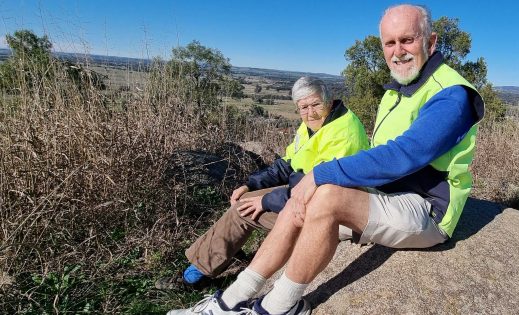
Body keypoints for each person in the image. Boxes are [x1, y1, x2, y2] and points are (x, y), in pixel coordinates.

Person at [168, 4, 485, 315]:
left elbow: (406, 154)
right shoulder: (399, 90)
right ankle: (230, 300)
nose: (398, 50)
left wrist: (320, 176)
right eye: (390, 42)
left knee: (325, 191)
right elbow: (292, 164)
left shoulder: (451, 94)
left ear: (430, 42)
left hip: (426, 209)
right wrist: (288, 185)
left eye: (408, 39)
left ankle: (278, 307)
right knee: (305, 196)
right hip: (385, 196)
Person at [158, 76, 369, 291]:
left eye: (316, 104)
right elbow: (288, 163)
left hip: (328, 210)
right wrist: (251, 184)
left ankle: (194, 277)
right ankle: (226, 250)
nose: (310, 112)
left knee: (243, 210)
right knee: (244, 197)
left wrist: (266, 200)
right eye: (303, 107)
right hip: (301, 194)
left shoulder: (344, 132)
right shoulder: (314, 125)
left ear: (329, 100)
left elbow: (324, 191)